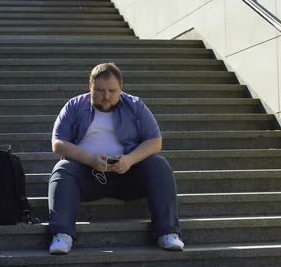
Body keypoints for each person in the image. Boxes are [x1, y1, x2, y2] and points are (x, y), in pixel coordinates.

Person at [48, 62, 184, 255]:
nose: (106, 96)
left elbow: (155, 141)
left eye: (112, 91)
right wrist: (91, 160)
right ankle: (62, 234)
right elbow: (58, 143)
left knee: (158, 164)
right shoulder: (74, 106)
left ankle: (167, 232)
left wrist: (129, 159)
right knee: (63, 169)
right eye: (100, 90)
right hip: (88, 174)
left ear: (121, 87)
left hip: (128, 174)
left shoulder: (136, 106)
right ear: (90, 86)